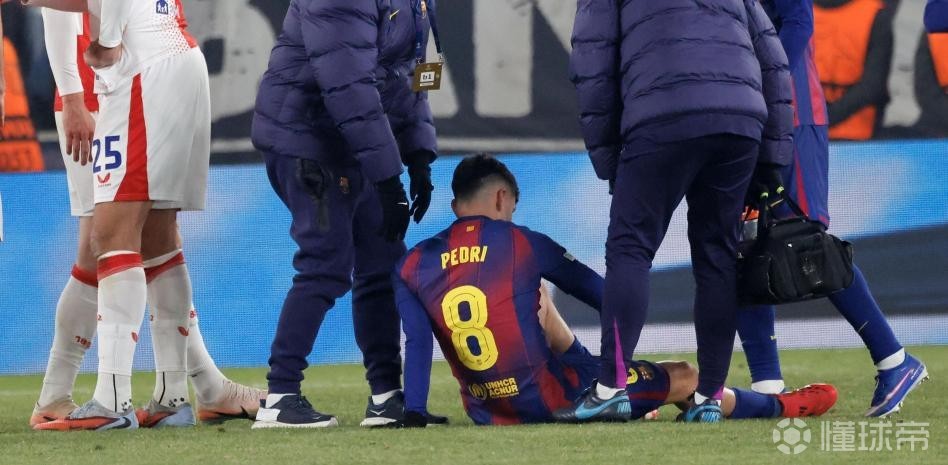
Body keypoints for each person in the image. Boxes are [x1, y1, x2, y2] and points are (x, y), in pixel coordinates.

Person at [393, 155, 837, 426]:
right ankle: (781, 407)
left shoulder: (412, 263)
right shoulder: (522, 242)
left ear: (456, 206)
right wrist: (619, 369)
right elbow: (604, 295)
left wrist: (415, 411)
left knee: (534, 297)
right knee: (686, 375)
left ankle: (609, 384)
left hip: (487, 412)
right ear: (501, 199)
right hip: (550, 402)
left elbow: (417, 343)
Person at [30, 6, 264, 429]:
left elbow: (74, 13)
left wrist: (84, 77)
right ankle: (186, 391)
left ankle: (104, 398)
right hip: (155, 64)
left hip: (122, 78)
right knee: (153, 237)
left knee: (111, 237)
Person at [561, 0, 793, 423]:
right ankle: (709, 399)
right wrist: (773, 159)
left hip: (661, 112)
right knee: (718, 257)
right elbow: (772, 58)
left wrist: (610, 161)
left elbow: (593, 65)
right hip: (740, 117)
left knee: (630, 248)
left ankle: (610, 389)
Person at [250, 0, 441, 428]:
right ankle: (280, 396)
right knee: (326, 262)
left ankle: (386, 396)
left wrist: (418, 157)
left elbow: (410, 74)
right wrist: (388, 178)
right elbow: (348, 85)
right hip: (307, 138)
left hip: (351, 140)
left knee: (384, 259)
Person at [737, 0, 928, 418]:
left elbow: (798, 21)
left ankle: (894, 359)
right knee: (744, 240)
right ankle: (768, 387)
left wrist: (762, 84)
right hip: (742, 113)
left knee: (806, 242)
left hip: (790, 114)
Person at [812, 0, 894, 140]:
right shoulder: (875, 14)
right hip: (852, 137)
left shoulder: (875, 16)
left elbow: (873, 87)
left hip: (852, 137)